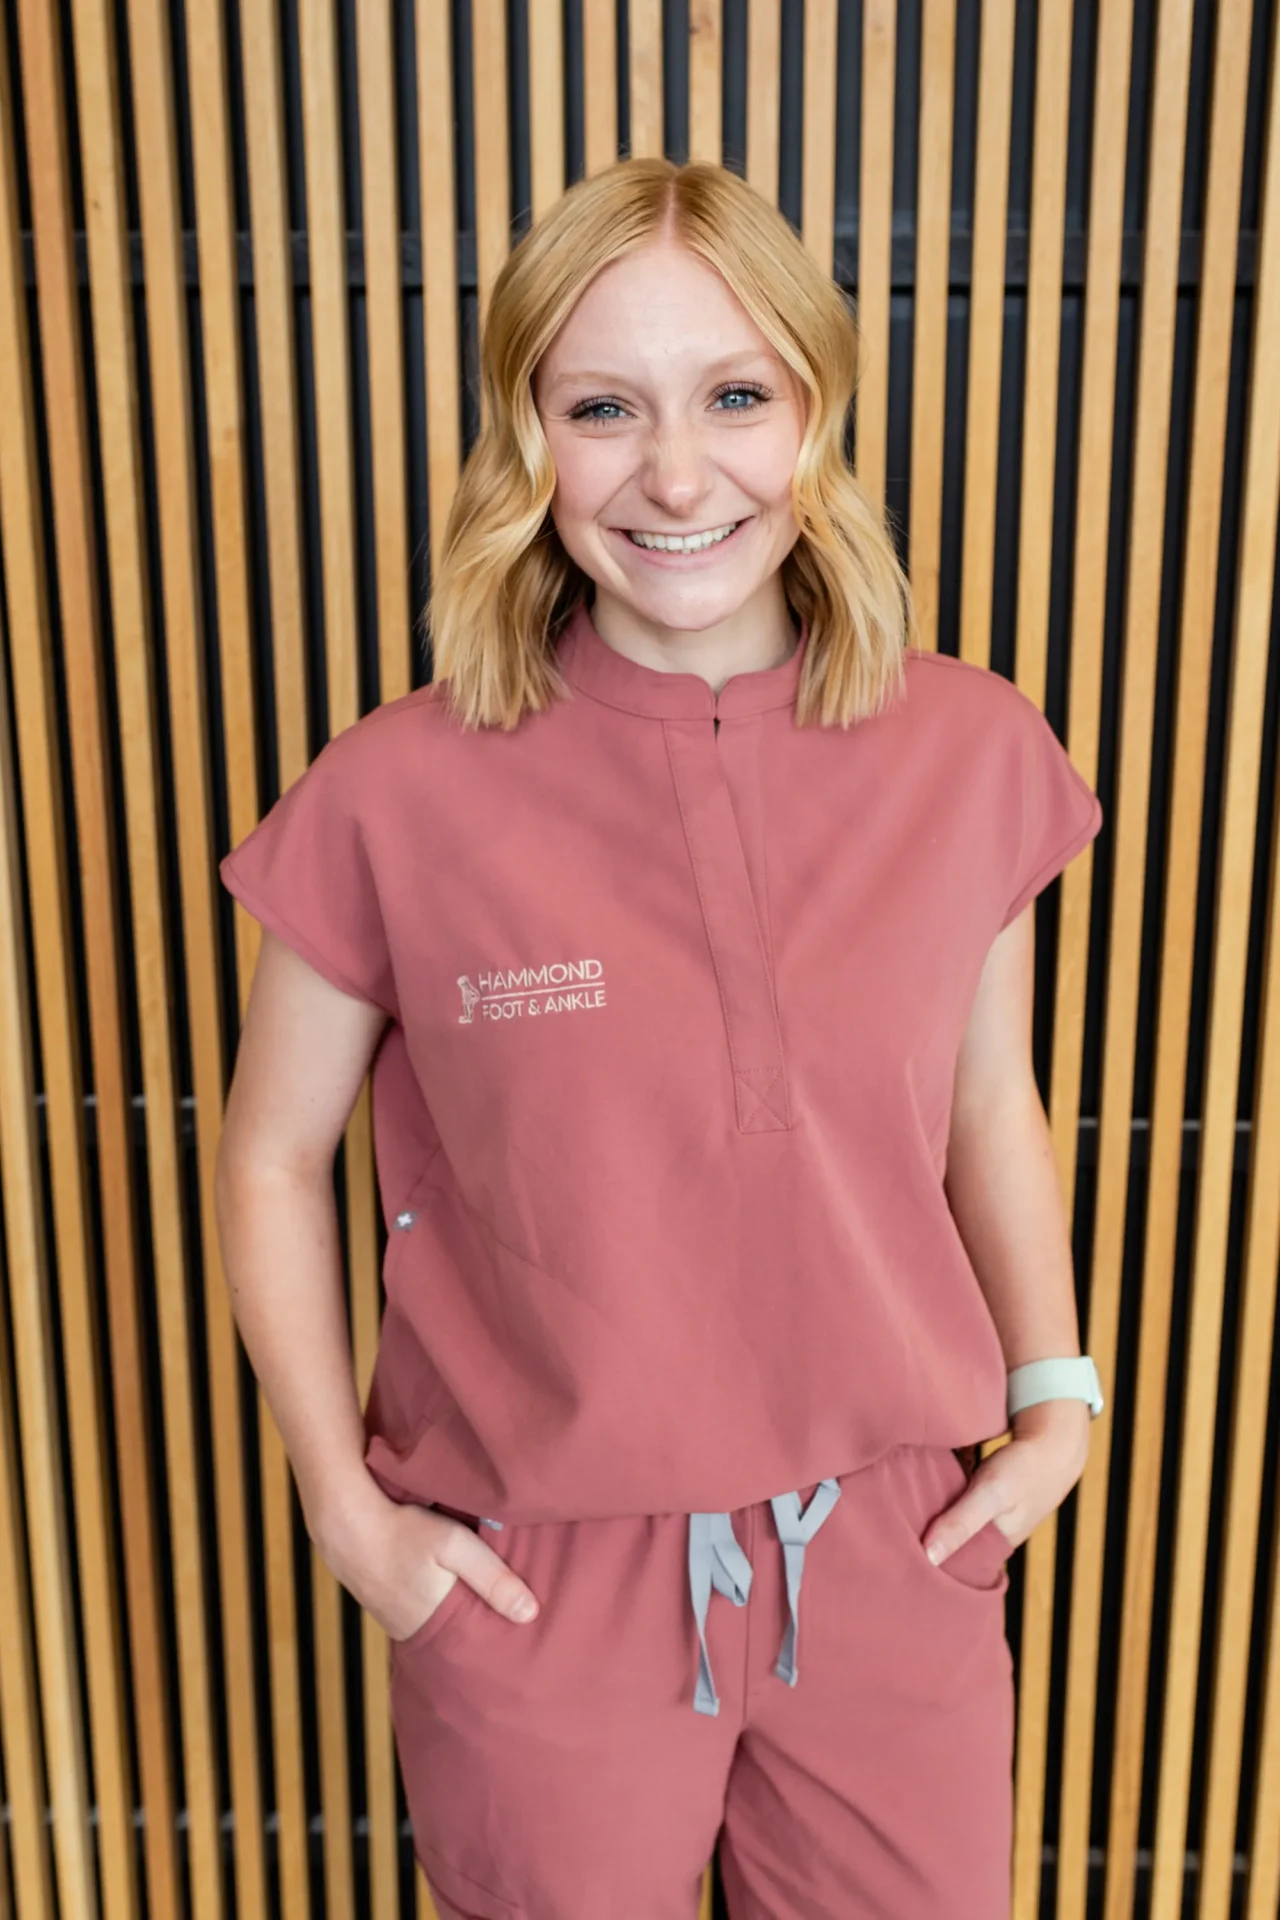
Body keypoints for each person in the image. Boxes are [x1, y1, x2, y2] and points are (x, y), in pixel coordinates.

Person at [215, 156, 1106, 1920]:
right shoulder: (397, 790)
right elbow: (266, 1153)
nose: (677, 474)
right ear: (525, 434)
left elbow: (988, 1105)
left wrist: (1055, 1401)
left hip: (893, 1550)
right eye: (603, 407)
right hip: (535, 1578)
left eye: (736, 396)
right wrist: (345, 1511)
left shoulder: (972, 752)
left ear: (816, 410)